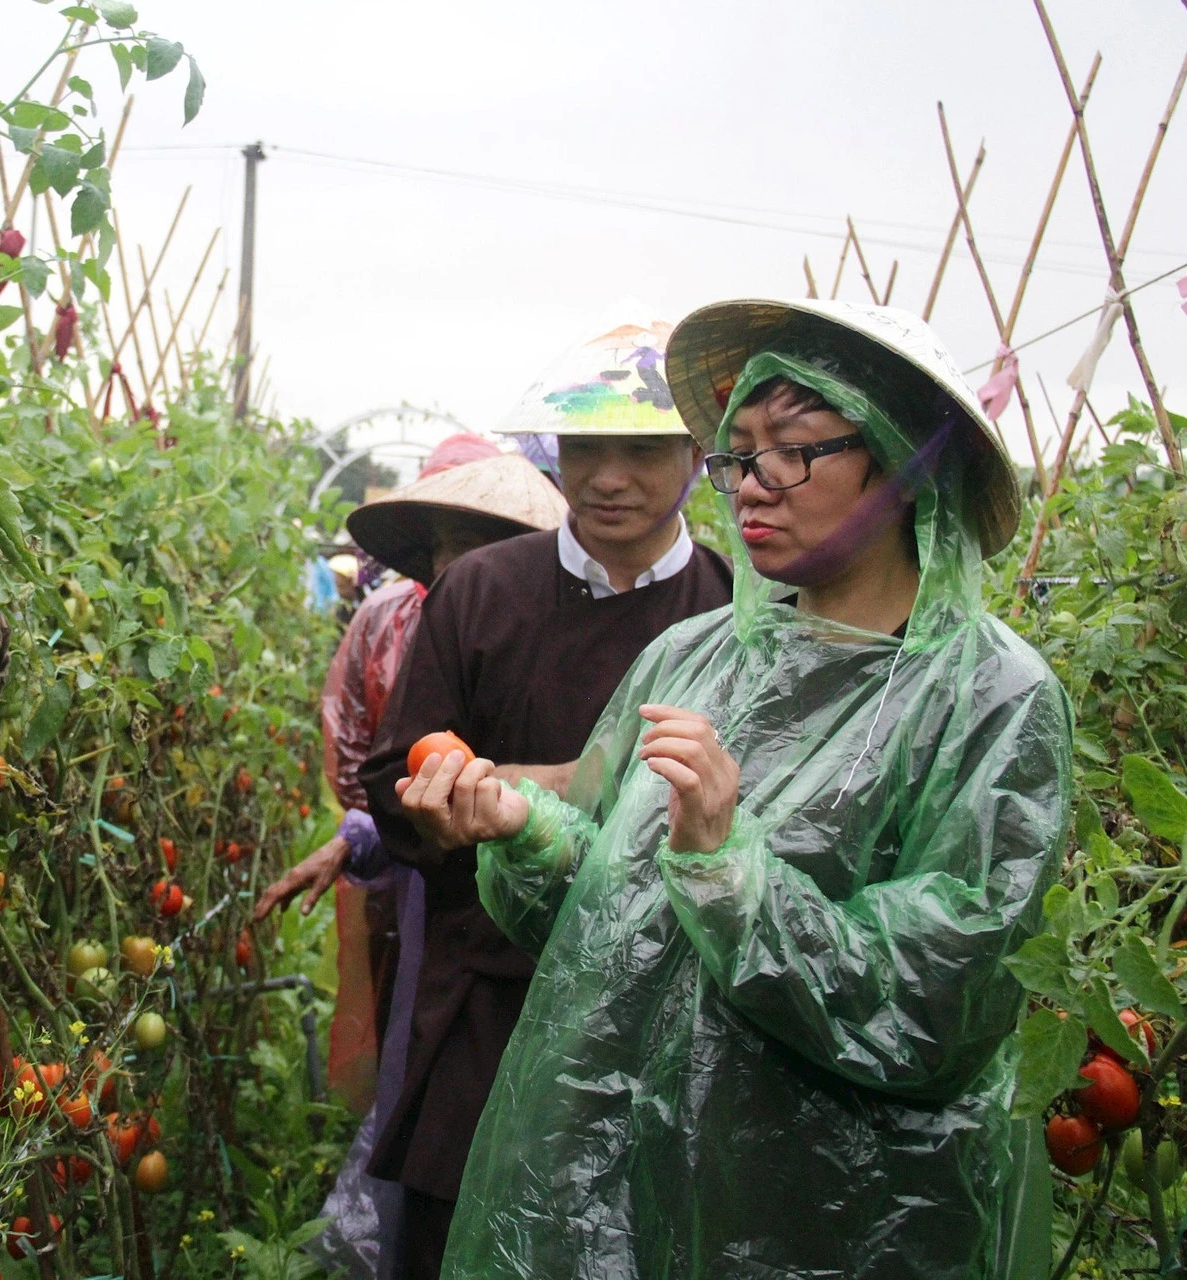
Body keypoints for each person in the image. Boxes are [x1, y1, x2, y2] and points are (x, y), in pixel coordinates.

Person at [406, 298, 1071, 1280]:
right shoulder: (695, 658)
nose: (752, 484)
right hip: (633, 1186)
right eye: (739, 454)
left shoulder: (991, 699)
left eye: (793, 450)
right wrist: (524, 827)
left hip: (838, 1217)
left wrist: (727, 859)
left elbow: (932, 1006)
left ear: (906, 461)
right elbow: (613, 925)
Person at [355, 322, 735, 1280]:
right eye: (584, 448)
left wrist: (545, 785)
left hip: (658, 1014)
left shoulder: (732, 611)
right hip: (486, 1003)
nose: (609, 477)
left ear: (695, 454)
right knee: (459, 1239)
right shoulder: (480, 593)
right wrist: (444, 805)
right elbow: (391, 774)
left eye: (642, 450)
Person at [256, 436, 566, 1280]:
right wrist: (364, 836)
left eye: (480, 546)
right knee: (427, 1077)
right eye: (444, 545)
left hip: (536, 913)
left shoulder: (553, 631)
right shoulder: (392, 623)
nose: (457, 565)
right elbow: (374, 765)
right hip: (434, 893)